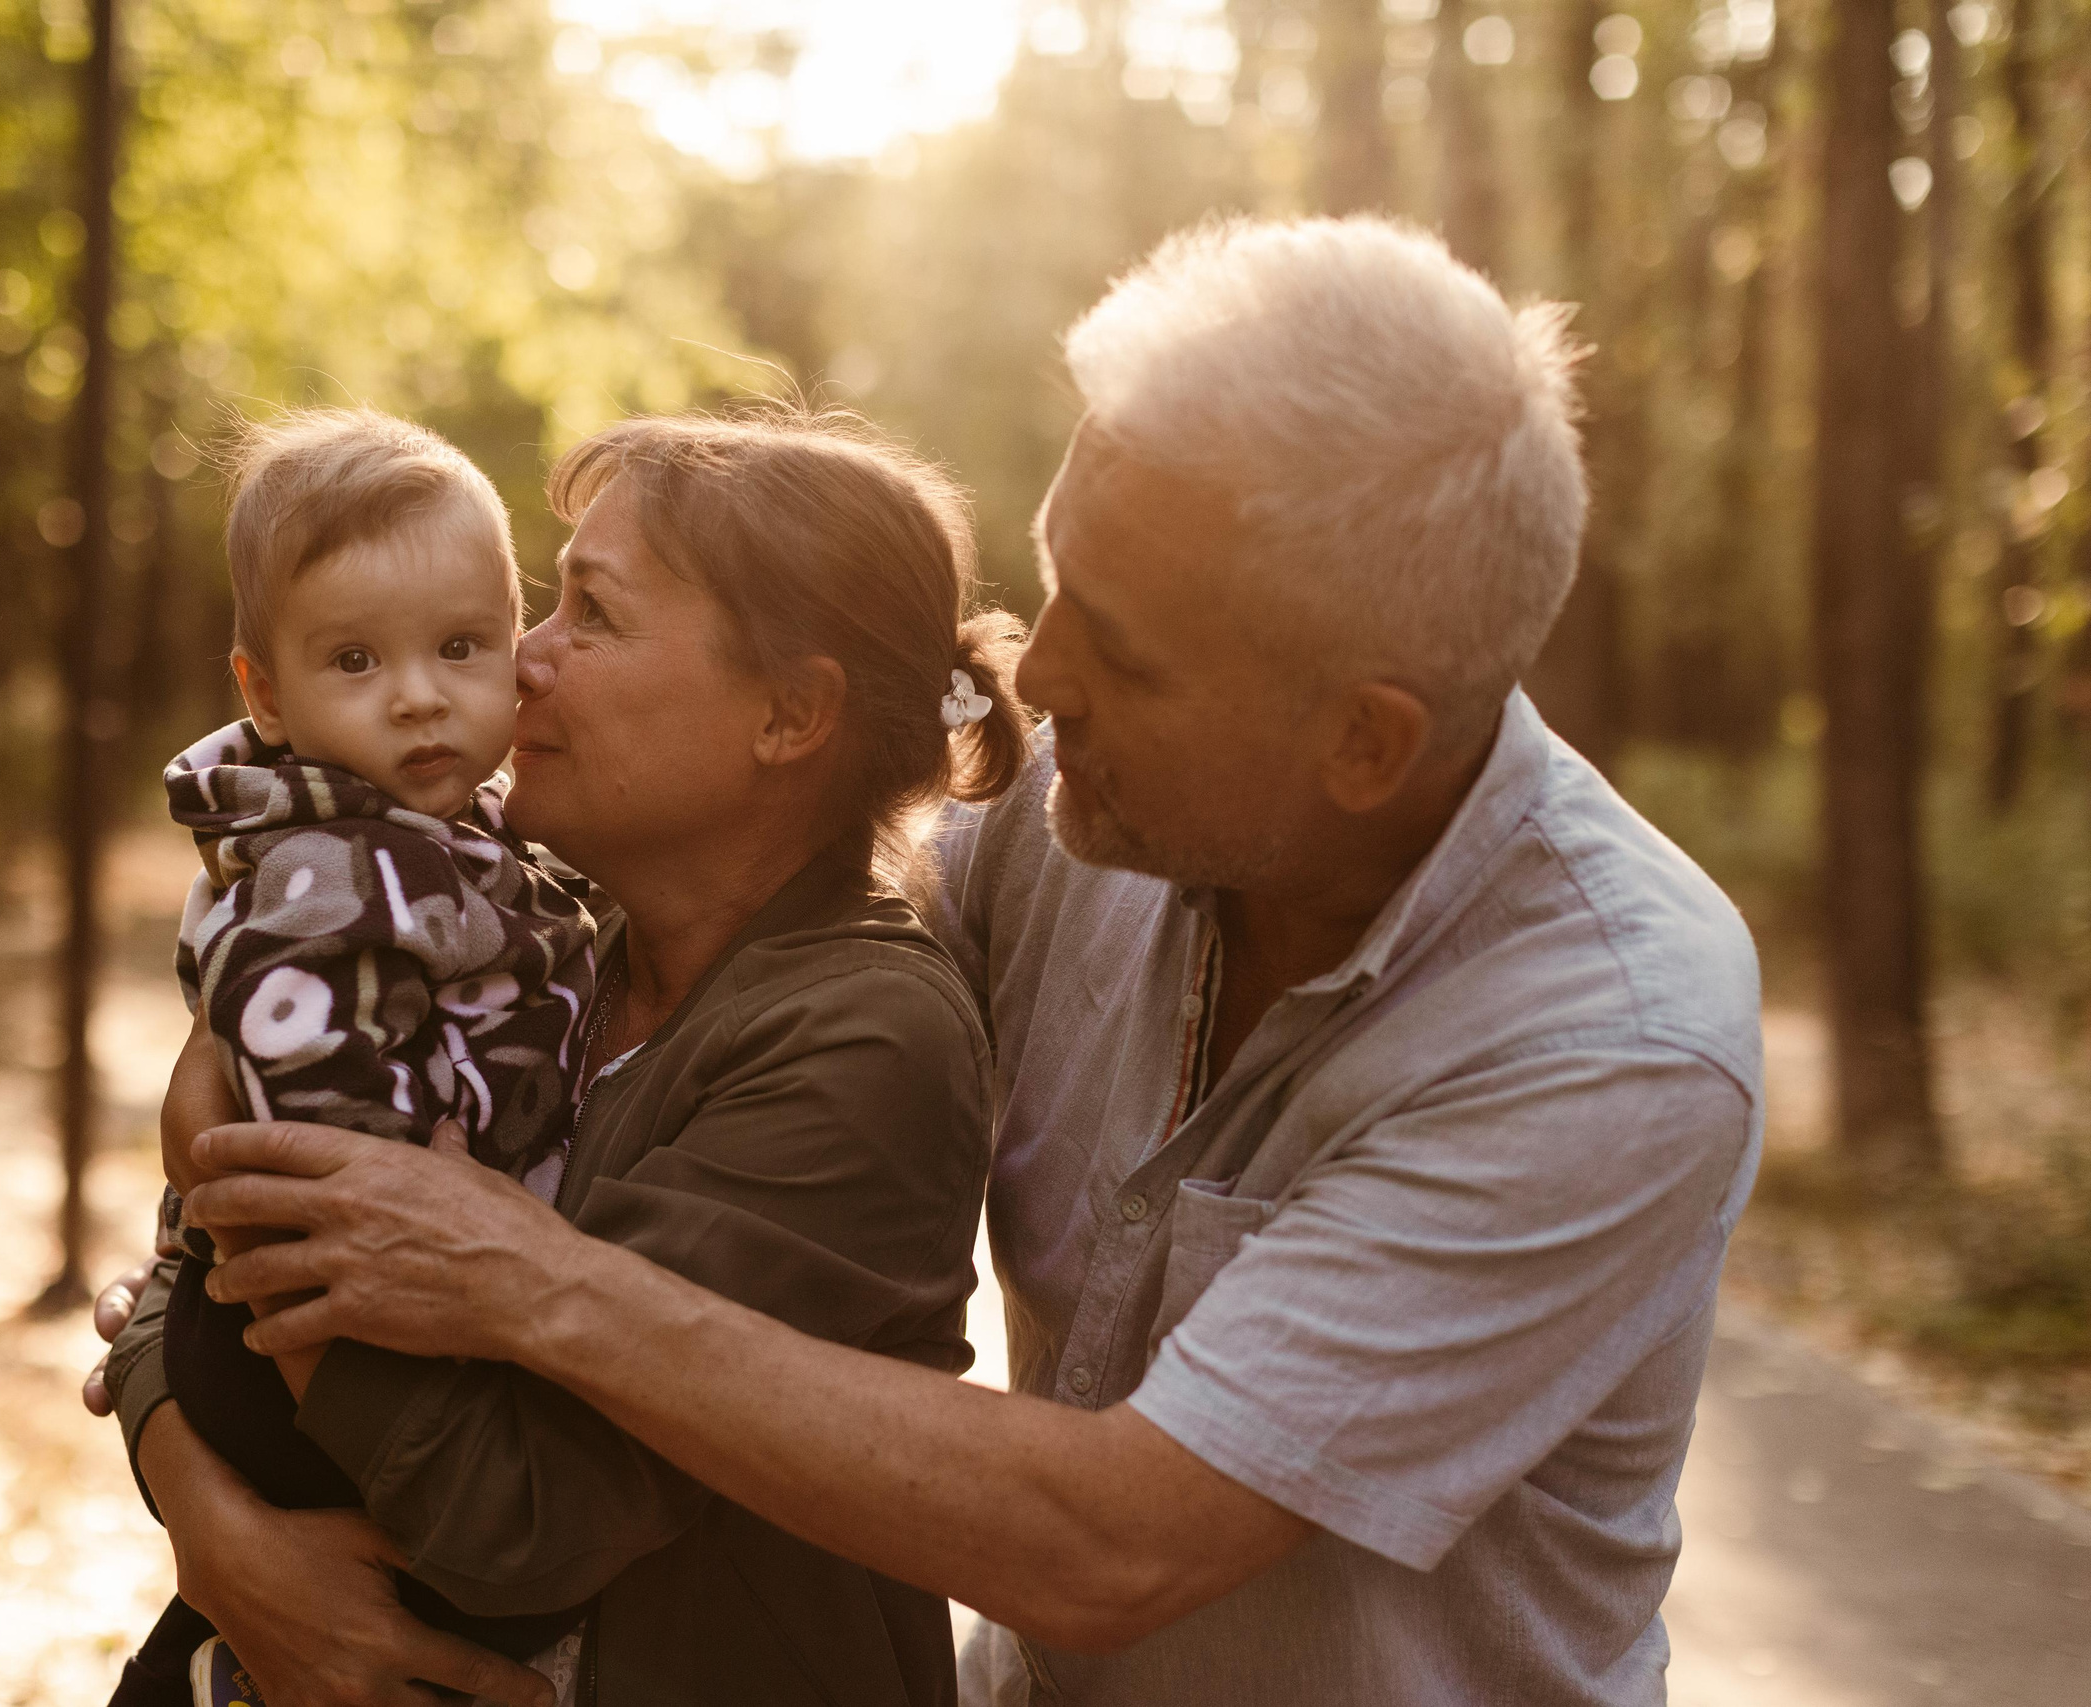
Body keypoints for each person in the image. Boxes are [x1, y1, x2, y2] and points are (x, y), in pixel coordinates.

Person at [166, 216, 1764, 1706]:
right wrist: (200, 1489)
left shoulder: (1610, 1038)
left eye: (1120, 646)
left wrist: (529, 1284)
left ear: (1362, 738)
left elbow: (1118, 1542)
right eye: (1059, 579)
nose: (1035, 671)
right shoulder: (1085, 806)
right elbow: (714, 885)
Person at [99, 405, 1037, 1706]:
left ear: (789, 713)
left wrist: (224, 1205)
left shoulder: (863, 1040)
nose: (520, 662)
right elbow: (180, 1269)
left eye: (587, 615)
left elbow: (515, 1519)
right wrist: (220, 1533)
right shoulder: (539, 930)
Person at [115, 409, 601, 1706]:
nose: (419, 695)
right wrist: (437, 1213)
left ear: (515, 636)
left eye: (460, 646)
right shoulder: (330, 868)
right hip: (312, 1317)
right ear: (263, 690)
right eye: (354, 661)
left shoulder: (452, 837)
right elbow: (311, 1091)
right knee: (417, 1586)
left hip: (341, 1308)